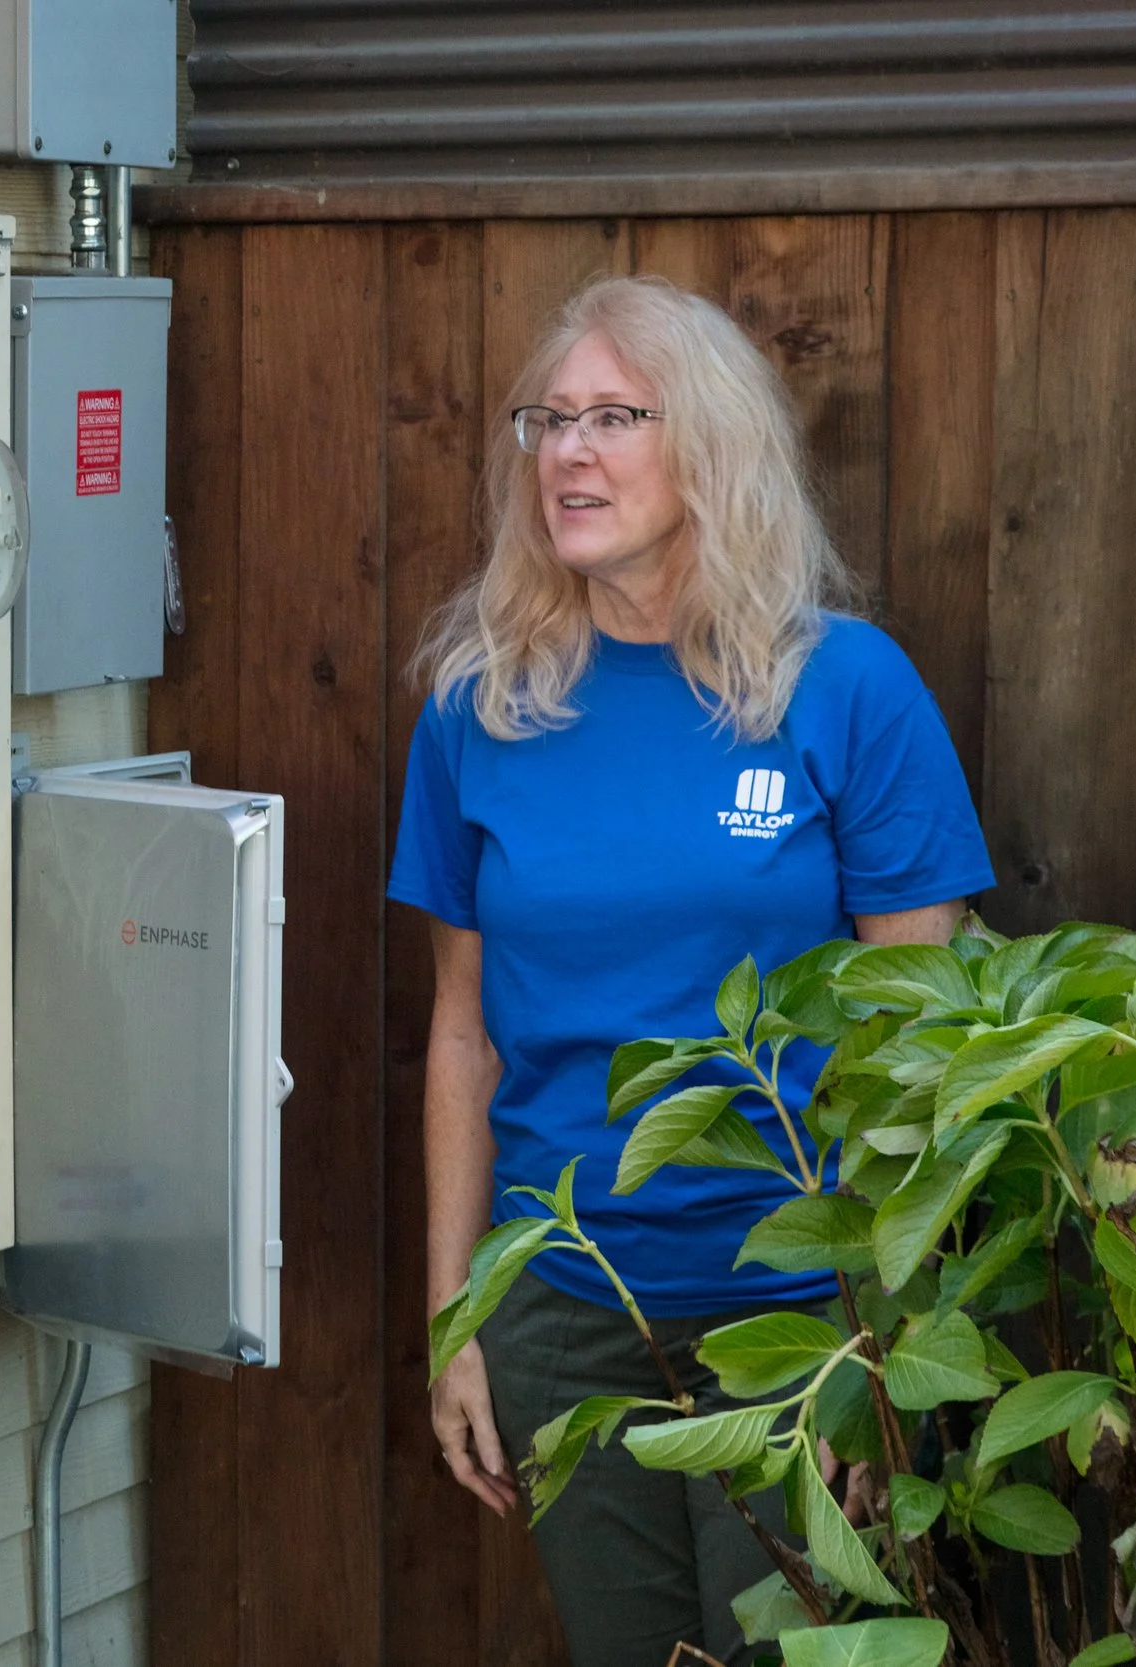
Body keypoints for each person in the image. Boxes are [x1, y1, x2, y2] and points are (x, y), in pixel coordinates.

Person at [388, 275, 994, 1667]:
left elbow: (928, 1050)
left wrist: (877, 1353)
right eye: (548, 420)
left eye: (613, 417)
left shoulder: (847, 689)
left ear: (711, 449)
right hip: (564, 1307)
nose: (567, 452)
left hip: (798, 1322)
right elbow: (464, 1035)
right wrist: (455, 1325)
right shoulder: (481, 706)